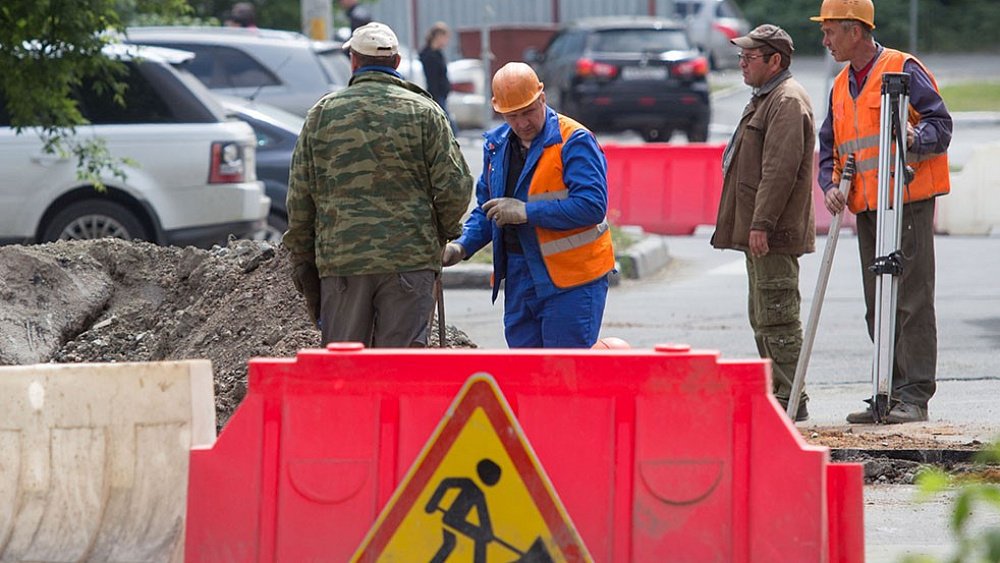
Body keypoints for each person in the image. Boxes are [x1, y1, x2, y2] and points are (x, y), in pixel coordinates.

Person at [284, 22, 472, 348]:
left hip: (343, 262)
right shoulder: (426, 112)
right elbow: (456, 186)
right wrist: (439, 234)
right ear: (397, 63)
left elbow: (300, 198)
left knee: (346, 372)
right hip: (410, 262)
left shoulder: (322, 115)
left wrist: (304, 258)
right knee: (400, 370)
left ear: (353, 62)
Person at [811, 0, 952, 423]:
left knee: (911, 299)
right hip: (869, 207)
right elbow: (829, 148)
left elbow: (940, 125)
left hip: (905, 200)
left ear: (855, 30)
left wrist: (915, 138)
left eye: (831, 30)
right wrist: (831, 185)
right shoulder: (840, 85)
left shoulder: (903, 68)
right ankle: (886, 391)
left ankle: (913, 395)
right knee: (879, 301)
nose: (825, 39)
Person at [441, 62, 615, 348]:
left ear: (542, 99)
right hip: (521, 276)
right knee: (526, 374)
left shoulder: (573, 140)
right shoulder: (497, 145)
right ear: (500, 112)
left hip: (572, 279)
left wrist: (525, 212)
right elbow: (488, 209)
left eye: (528, 112)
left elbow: (592, 205)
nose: (522, 123)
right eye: (512, 115)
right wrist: (461, 246)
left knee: (563, 373)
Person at [711, 25, 816, 423]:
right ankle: (780, 395)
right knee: (764, 314)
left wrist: (762, 223)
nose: (741, 64)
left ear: (776, 61)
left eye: (749, 57)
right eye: (741, 57)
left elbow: (778, 171)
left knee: (778, 314)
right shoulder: (767, 97)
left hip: (772, 232)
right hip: (762, 230)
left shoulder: (786, 102)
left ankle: (791, 398)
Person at [420, 22, 456, 133]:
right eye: (445, 38)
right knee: (448, 126)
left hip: (441, 94)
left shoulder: (438, 54)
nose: (446, 41)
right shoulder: (428, 55)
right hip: (435, 94)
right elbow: (432, 78)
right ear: (438, 36)